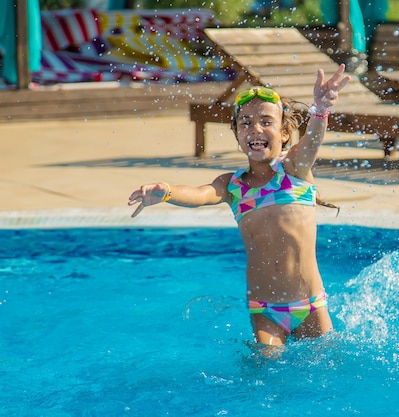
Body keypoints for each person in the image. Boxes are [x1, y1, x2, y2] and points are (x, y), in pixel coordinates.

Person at [128, 65, 351, 348]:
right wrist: (167, 192)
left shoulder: (294, 169)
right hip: (264, 309)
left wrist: (320, 109)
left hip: (309, 304)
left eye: (266, 122)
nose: (255, 129)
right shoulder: (233, 187)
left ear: (284, 133)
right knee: (264, 368)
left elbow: (313, 140)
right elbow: (200, 194)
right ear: (236, 135)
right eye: (245, 122)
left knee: (323, 370)